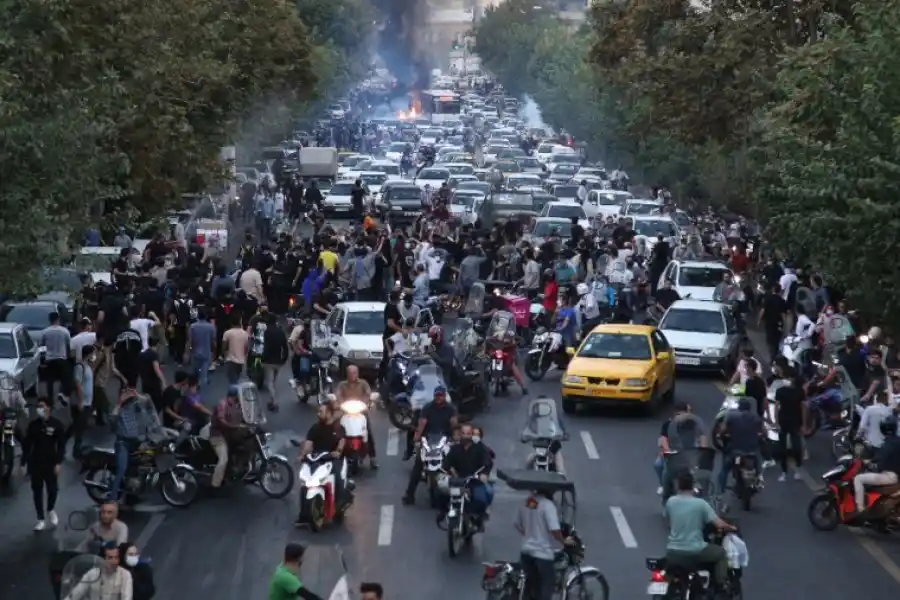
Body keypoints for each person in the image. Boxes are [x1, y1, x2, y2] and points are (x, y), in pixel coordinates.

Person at [664, 472, 736, 593]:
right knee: (721, 553)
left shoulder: (671, 502)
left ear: (678, 486)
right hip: (694, 552)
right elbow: (719, 524)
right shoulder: (700, 504)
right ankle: (722, 585)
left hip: (672, 552)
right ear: (693, 487)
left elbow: (668, 521)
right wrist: (731, 527)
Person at [514, 486, 572, 600]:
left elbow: (517, 524)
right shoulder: (548, 505)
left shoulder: (527, 502)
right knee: (546, 587)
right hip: (542, 555)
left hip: (526, 552)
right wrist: (564, 541)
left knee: (531, 586)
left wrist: (529, 535)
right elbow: (555, 530)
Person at [403, 386, 458, 503]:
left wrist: (455, 438)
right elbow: (422, 423)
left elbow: (454, 425)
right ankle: (410, 494)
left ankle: (455, 494)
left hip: (444, 440)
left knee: (451, 465)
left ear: (444, 396)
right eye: (437, 396)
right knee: (418, 465)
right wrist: (417, 438)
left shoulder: (450, 409)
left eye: (441, 396)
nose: (439, 398)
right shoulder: (427, 408)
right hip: (428, 440)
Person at [20, 396, 65, 530]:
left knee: (53, 490)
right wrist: (23, 464)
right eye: (38, 406)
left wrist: (58, 462)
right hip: (36, 463)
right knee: (37, 491)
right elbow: (27, 445)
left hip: (50, 462)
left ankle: (50, 509)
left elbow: (61, 445)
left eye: (42, 406)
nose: (39, 409)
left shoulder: (57, 425)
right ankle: (40, 518)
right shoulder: (33, 425)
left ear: (48, 408)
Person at [296, 404, 347, 522]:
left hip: (333, 458)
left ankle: (339, 505)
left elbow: (342, 442)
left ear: (329, 413)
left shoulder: (338, 428)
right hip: (317, 458)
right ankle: (303, 515)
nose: (318, 414)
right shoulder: (315, 428)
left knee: (337, 476)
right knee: (305, 483)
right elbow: (308, 444)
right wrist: (302, 455)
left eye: (321, 412)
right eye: (318, 412)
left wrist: (338, 451)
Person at [442, 424, 493, 520]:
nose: (465, 436)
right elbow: (446, 463)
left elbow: (487, 462)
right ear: (460, 434)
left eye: (468, 433)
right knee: (441, 496)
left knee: (481, 499)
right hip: (458, 481)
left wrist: (483, 474)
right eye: (463, 433)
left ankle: (476, 519)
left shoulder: (480, 448)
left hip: (474, 480)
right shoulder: (454, 448)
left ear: (472, 434)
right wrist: (449, 470)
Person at [655, 402, 707, 497]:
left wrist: (703, 451)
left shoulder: (693, 424)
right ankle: (663, 487)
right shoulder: (668, 424)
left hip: (690, 455)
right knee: (658, 465)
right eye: (679, 414)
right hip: (673, 455)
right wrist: (668, 451)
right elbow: (663, 439)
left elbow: (702, 437)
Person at [853, 416, 900, 518]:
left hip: (888, 476)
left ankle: (860, 509)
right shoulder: (896, 441)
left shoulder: (889, 443)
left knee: (858, 478)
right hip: (894, 475)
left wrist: (868, 462)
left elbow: (881, 458)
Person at [717, 398, 765, 496]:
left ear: (739, 407)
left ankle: (720, 490)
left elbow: (722, 430)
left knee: (725, 468)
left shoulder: (732, 416)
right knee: (758, 466)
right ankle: (759, 480)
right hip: (752, 451)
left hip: (736, 451)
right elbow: (764, 432)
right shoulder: (756, 417)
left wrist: (721, 435)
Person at [334, 365, 378, 469]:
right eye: (350, 373)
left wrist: (367, 402)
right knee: (337, 430)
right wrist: (338, 403)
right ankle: (336, 453)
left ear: (357, 373)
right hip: (346, 412)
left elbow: (368, 394)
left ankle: (373, 457)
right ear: (347, 374)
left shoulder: (363, 383)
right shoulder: (342, 385)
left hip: (360, 411)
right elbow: (338, 395)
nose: (352, 375)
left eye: (354, 373)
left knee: (368, 431)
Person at [64, 541, 133, 600]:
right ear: (102, 559)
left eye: (116, 558)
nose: (114, 561)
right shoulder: (92, 574)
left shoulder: (125, 575)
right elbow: (75, 594)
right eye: (110, 558)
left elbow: (127, 598)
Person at [209, 385, 245, 494]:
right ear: (235, 396)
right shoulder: (223, 404)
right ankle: (214, 486)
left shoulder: (237, 405)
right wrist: (234, 426)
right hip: (218, 436)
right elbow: (221, 420)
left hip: (230, 434)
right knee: (223, 459)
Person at [69, 344, 96, 458]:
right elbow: (77, 384)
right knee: (79, 428)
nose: (94, 355)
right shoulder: (80, 367)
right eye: (93, 353)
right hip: (80, 403)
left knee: (79, 426)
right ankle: (76, 451)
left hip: (87, 402)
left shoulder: (88, 366)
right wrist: (80, 401)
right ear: (89, 354)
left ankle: (65, 440)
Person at [40, 311, 72, 405]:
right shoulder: (65, 331)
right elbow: (69, 345)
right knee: (65, 378)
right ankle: (62, 394)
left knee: (50, 381)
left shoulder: (45, 332)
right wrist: (69, 357)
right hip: (62, 359)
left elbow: (42, 346)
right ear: (58, 319)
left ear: (49, 320)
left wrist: (43, 360)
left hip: (50, 359)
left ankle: (50, 401)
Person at [187, 308, 216, 387]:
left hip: (195, 351)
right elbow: (213, 341)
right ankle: (201, 383)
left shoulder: (192, 326)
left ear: (198, 316)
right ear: (206, 316)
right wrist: (214, 351)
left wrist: (187, 352)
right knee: (204, 370)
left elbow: (190, 340)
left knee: (195, 369)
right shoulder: (211, 327)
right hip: (206, 352)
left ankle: (194, 383)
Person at [222, 315, 249, 385]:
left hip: (230, 360)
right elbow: (246, 349)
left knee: (233, 382)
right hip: (241, 361)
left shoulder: (227, 333)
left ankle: (235, 395)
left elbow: (224, 347)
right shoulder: (245, 334)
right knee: (237, 380)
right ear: (240, 322)